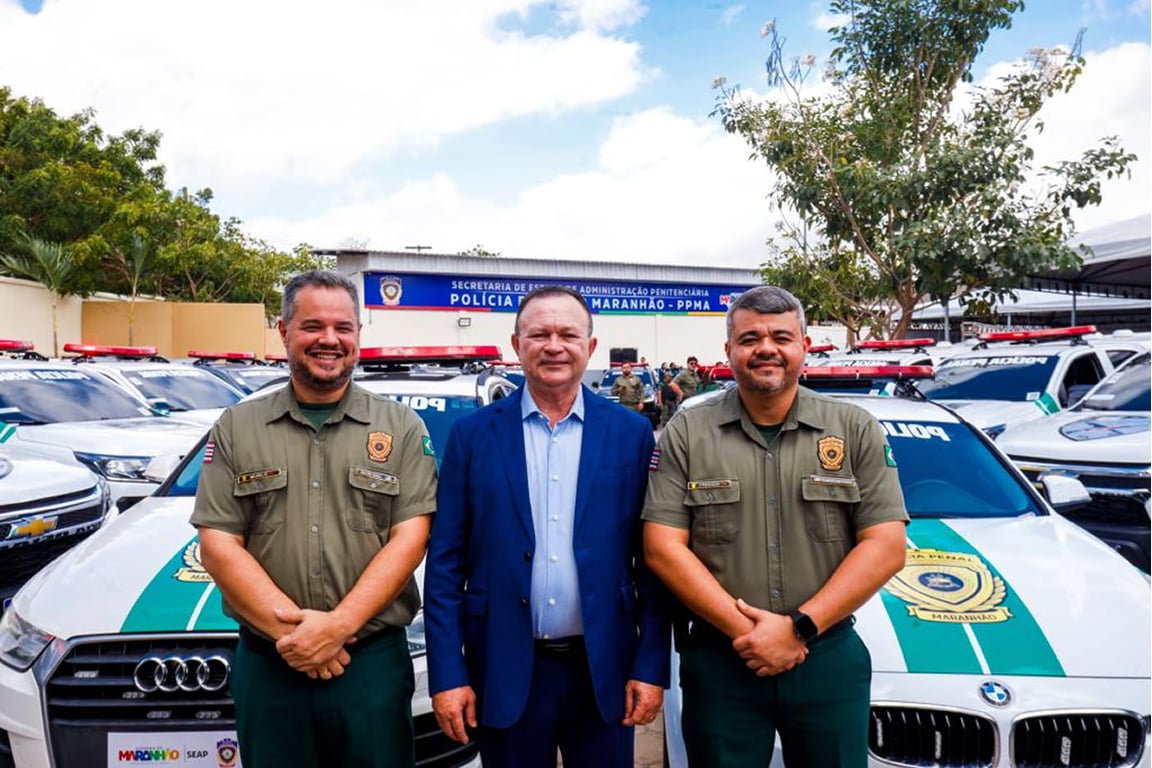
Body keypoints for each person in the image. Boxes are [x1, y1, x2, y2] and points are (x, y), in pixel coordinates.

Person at [642, 285, 908, 768]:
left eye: (781, 337)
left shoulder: (854, 428)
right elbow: (662, 547)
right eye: (750, 339)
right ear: (729, 351)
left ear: (804, 346)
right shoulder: (688, 431)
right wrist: (752, 635)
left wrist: (798, 629)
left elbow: (886, 545)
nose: (766, 348)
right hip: (722, 665)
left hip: (826, 658)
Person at [191, 270, 437, 768]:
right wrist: (300, 638)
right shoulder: (238, 426)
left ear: (358, 334)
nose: (330, 339)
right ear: (284, 331)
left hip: (370, 666)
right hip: (271, 666)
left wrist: (337, 628)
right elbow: (218, 543)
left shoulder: (401, 427)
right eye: (312, 326)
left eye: (343, 327)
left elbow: (411, 538)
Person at [424, 285, 670, 768]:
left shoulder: (630, 433)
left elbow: (652, 561)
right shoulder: (473, 436)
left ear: (589, 347)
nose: (554, 346)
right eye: (539, 334)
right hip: (504, 667)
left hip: (604, 671)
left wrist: (650, 666)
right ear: (517, 346)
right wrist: (448, 675)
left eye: (567, 334)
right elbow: (445, 565)